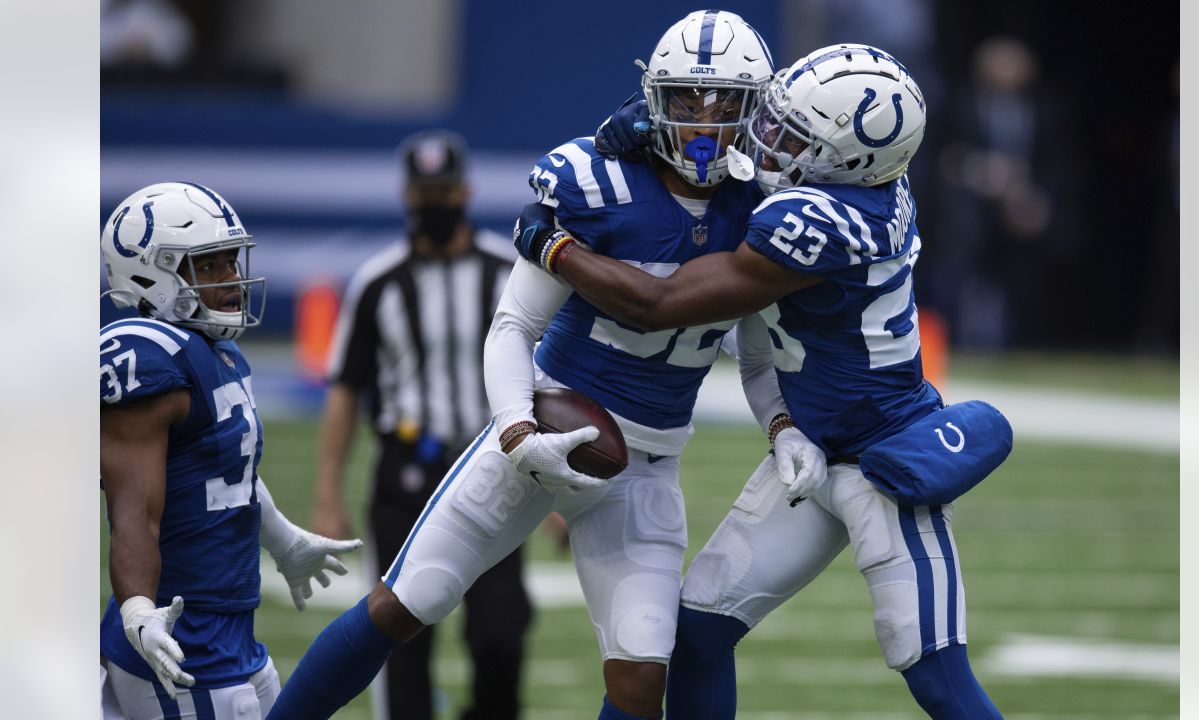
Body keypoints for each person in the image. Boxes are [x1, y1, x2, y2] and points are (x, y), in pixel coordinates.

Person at [264, 11, 822, 720]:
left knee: (642, 675)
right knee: (409, 602)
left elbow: (759, 354)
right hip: (545, 420)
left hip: (644, 465)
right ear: (655, 99)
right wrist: (518, 432)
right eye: (687, 99)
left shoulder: (765, 210)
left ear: (755, 111)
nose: (705, 123)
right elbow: (512, 327)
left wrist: (783, 426)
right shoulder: (598, 181)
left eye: (726, 105)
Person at [513, 45, 1005, 719]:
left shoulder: (831, 222)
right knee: (697, 635)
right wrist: (646, 123)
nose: (767, 140)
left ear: (848, 161)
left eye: (790, 136)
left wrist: (554, 246)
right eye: (775, 121)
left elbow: (659, 302)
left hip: (884, 464)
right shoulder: (850, 177)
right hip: (807, 451)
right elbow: (729, 149)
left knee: (936, 675)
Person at [99, 182, 362, 718]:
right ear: (151, 274)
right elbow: (134, 512)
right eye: (209, 265)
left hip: (231, 633)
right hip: (179, 637)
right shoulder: (149, 358)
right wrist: (140, 611)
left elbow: (226, 470)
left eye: (230, 261)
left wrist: (284, 541)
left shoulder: (215, 353)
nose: (232, 279)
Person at [312, 129, 531, 720]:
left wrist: (554, 490)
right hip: (406, 470)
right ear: (407, 196)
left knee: (500, 632)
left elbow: (544, 376)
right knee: (400, 639)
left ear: (465, 190)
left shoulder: (508, 272)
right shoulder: (379, 280)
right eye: (424, 192)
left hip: (494, 469)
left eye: (444, 190)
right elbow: (345, 390)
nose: (435, 203)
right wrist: (328, 495)